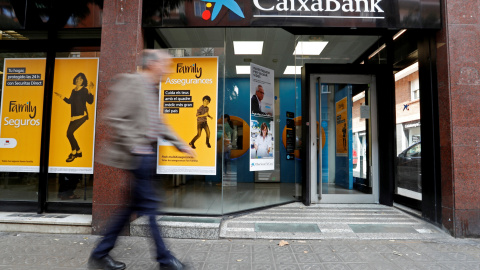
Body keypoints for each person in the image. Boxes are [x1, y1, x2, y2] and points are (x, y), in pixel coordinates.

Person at [88, 50, 195, 270]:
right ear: (153, 64)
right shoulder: (133, 83)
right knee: (151, 208)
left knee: (129, 208)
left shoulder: (151, 89)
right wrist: (136, 145)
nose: (168, 69)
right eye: (165, 64)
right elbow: (114, 117)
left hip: (146, 156)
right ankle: (165, 261)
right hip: (139, 156)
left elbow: (158, 125)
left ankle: (99, 254)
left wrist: (181, 144)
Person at [54, 72, 94, 162]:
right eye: (77, 78)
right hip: (73, 116)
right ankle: (79, 151)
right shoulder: (73, 90)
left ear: (83, 81)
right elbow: (69, 101)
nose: (78, 80)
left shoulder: (84, 90)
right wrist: (61, 96)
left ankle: (73, 153)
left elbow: (90, 101)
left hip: (82, 115)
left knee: (69, 133)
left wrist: (90, 89)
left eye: (80, 79)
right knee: (70, 134)